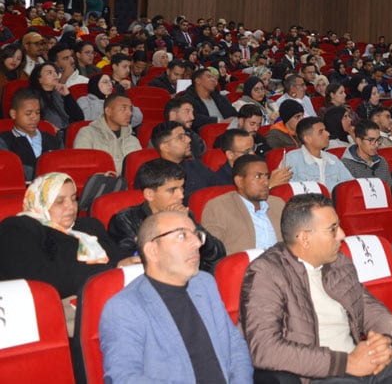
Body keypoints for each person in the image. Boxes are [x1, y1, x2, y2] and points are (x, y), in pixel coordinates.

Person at [239, 193, 392, 382]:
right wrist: (346, 363)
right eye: (332, 229)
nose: (342, 234)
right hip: (321, 375)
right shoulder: (266, 273)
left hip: (362, 366)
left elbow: (371, 310)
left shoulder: (338, 263)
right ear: (305, 238)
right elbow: (264, 349)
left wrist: (384, 342)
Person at [99, 211, 252, 382]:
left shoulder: (204, 283)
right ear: (152, 251)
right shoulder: (124, 308)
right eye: (181, 236)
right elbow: (124, 378)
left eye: (196, 234)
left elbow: (235, 345)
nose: (197, 243)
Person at [0, 173, 137, 300]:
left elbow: (118, 256)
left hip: (108, 291)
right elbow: (40, 281)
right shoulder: (18, 228)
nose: (71, 206)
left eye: (73, 199)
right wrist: (112, 270)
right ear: (40, 203)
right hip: (57, 303)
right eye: (60, 201)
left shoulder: (89, 226)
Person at [110, 158, 224, 270]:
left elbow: (217, 254)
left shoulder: (183, 214)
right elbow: (135, 262)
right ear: (149, 194)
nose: (181, 195)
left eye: (182, 188)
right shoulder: (125, 221)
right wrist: (173, 226)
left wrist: (190, 226)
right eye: (172, 190)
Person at [203, 154, 286, 255]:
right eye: (258, 176)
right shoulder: (218, 207)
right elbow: (213, 253)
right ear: (239, 181)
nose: (266, 182)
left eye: (267, 176)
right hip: (244, 264)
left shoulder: (278, 204)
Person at [138, 121, 223, 204]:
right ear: (165, 147)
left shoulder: (197, 166)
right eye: (180, 137)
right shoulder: (151, 173)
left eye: (186, 135)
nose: (189, 140)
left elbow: (221, 189)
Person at [0, 88, 62, 180]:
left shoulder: (51, 138)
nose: (35, 117)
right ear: (13, 114)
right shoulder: (4, 140)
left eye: (37, 112)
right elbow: (10, 169)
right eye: (28, 113)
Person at [74, 93, 141, 174]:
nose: (130, 113)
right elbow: (82, 169)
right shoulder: (87, 134)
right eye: (123, 108)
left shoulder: (133, 140)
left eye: (130, 109)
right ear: (108, 111)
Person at [285, 117, 353, 190]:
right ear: (307, 139)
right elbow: (287, 189)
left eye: (325, 130)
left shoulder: (333, 159)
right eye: (321, 132)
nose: (328, 134)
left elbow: (350, 185)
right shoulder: (292, 159)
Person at [78, 73, 143, 128]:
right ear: (95, 85)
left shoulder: (116, 100)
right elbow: (86, 118)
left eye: (111, 82)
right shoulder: (84, 100)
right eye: (105, 82)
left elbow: (137, 117)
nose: (110, 84)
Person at [341, 120, 392, 185]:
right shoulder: (346, 165)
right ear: (358, 141)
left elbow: (389, 189)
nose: (376, 145)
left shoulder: (381, 161)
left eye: (378, 140)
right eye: (371, 140)